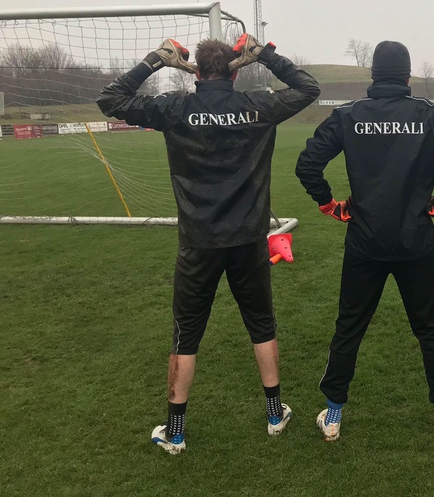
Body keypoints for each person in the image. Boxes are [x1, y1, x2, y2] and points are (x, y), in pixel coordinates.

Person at [97, 34, 321, 453]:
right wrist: (265, 55)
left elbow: (110, 99)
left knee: (186, 336)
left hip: (198, 242)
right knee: (262, 325)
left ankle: (175, 433)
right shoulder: (256, 105)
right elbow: (309, 88)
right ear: (234, 71)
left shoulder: (176, 107)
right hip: (249, 239)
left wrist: (157, 60)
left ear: (196, 72)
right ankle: (275, 415)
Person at [295, 40, 434, 442]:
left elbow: (307, 163)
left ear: (373, 75)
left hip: (364, 242)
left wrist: (329, 205)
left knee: (349, 327)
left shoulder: (349, 115)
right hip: (415, 242)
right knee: (430, 328)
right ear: (408, 77)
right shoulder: (428, 115)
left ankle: (333, 417)